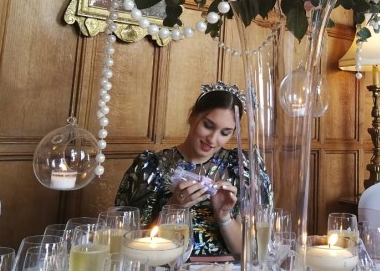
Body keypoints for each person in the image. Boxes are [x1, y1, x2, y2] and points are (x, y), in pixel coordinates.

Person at [115, 81, 272, 258]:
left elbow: (253, 253)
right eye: (208, 125)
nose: (212, 139)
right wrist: (174, 207)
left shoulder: (242, 167)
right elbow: (129, 245)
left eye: (225, 132)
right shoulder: (151, 167)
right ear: (192, 116)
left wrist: (224, 217)